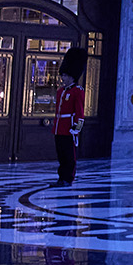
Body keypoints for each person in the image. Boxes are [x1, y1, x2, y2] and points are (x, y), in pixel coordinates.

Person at [53, 48, 87, 186]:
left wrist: (76, 129)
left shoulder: (77, 92)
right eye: (63, 76)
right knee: (61, 154)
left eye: (66, 76)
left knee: (69, 156)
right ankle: (61, 177)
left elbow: (80, 114)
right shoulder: (61, 91)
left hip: (69, 128)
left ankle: (68, 178)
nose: (63, 78)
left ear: (72, 76)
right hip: (59, 127)